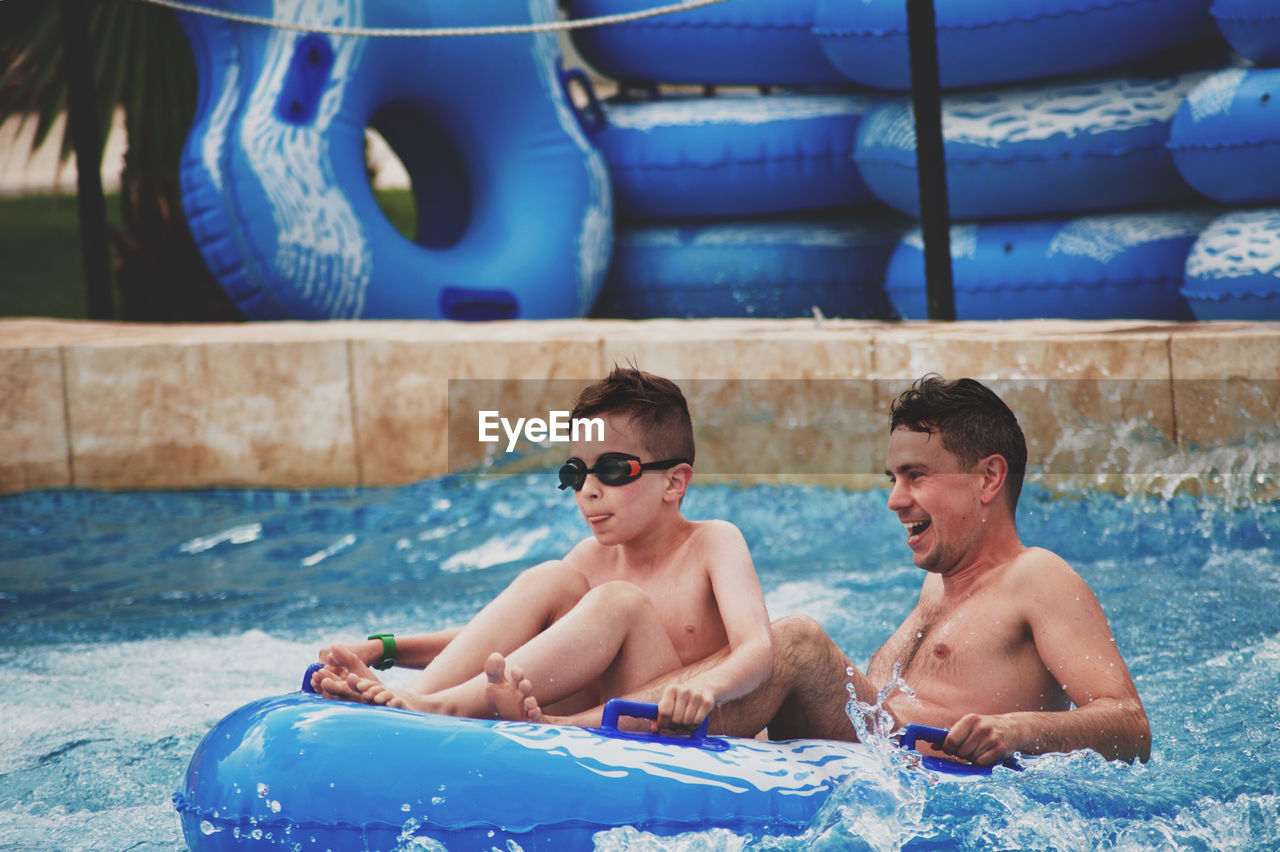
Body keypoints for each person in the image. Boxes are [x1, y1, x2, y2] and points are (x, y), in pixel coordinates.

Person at [485, 375, 1152, 767]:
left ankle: (563, 734)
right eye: (892, 478)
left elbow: (1129, 724)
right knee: (734, 647)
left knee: (799, 642)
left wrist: (1017, 729)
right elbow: (867, 705)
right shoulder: (938, 589)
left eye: (915, 477)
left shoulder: (1039, 577)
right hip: (870, 759)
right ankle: (537, 705)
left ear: (988, 478)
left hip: (936, 774)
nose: (894, 499)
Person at [312, 366, 773, 731]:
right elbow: (503, 643)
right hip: (597, 719)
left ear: (674, 482)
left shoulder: (712, 543)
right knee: (550, 578)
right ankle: (416, 702)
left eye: (612, 469)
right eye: (576, 472)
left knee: (620, 602)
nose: (588, 491)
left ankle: (432, 705)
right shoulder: (588, 560)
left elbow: (758, 650)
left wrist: (708, 688)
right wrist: (385, 648)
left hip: (680, 733)